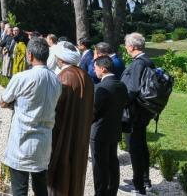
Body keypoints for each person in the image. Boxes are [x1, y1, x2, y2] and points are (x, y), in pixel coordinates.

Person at [0, 37, 62, 196]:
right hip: (43, 142)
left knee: (20, 189)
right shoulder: (56, 80)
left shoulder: (21, 77)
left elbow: (3, 101)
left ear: (30, 55)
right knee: (41, 188)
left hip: (22, 141)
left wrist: (14, 104)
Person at [48, 41, 94, 196]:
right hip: (81, 132)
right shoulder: (85, 76)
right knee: (76, 169)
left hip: (63, 132)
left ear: (60, 59)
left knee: (60, 169)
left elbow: (53, 108)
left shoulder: (62, 77)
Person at [121, 33, 155, 194]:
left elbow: (133, 89)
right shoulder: (148, 61)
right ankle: (145, 180)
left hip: (134, 113)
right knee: (141, 146)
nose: (126, 47)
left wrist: (120, 103)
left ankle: (138, 186)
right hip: (144, 111)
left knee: (135, 148)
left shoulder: (137, 64)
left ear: (132, 47)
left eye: (126, 44)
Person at [91, 56, 129, 196]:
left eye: (96, 68)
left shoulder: (101, 88)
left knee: (99, 166)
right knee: (113, 162)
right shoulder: (121, 85)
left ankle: (100, 193)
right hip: (114, 130)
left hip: (99, 132)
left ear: (103, 69)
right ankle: (112, 191)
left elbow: (93, 111)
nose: (94, 70)